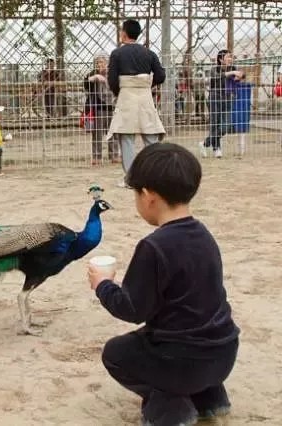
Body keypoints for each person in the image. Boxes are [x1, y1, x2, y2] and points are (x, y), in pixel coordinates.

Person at [87, 142, 240, 426]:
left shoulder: (154, 247)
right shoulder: (204, 235)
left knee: (117, 353)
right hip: (224, 353)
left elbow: (133, 310)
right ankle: (211, 400)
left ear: (148, 196)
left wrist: (103, 285)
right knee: (179, 326)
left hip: (185, 362)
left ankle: (173, 410)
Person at [106, 19, 166, 187]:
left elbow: (112, 80)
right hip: (145, 97)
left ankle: (132, 179)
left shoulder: (117, 54)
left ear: (124, 34)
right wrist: (146, 85)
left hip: (126, 97)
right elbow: (161, 76)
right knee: (150, 135)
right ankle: (156, 177)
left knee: (127, 137)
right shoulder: (150, 53)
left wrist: (121, 92)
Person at [199, 49, 245, 158]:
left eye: (231, 57)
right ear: (220, 59)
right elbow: (216, 77)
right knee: (214, 124)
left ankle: (204, 143)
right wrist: (232, 73)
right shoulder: (214, 69)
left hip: (228, 99)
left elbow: (238, 79)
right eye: (228, 57)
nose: (230, 59)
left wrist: (240, 77)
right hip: (215, 98)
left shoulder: (233, 68)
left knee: (226, 125)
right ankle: (217, 148)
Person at [83, 54, 120, 165]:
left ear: (107, 63)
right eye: (98, 62)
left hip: (112, 107)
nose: (100, 65)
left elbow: (117, 87)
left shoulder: (113, 74)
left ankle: (114, 155)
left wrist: (105, 80)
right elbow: (85, 85)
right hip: (98, 107)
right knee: (97, 133)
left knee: (113, 132)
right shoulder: (93, 74)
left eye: (102, 62)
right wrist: (92, 79)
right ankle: (96, 157)